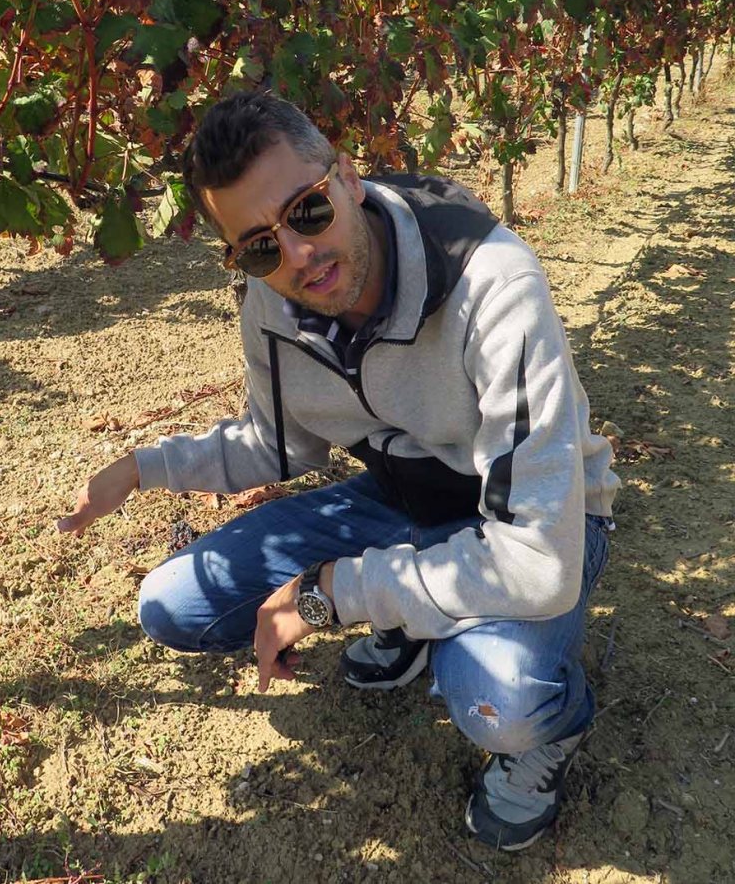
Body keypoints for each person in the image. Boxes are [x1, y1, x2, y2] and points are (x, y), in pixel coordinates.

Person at [58, 92, 619, 853]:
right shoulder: (272, 303)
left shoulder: (492, 282)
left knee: (501, 697)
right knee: (172, 603)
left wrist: (336, 592)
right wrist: (142, 467)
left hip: (532, 520)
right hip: (400, 498)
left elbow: (538, 561)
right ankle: (417, 612)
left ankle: (556, 726)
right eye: (258, 246)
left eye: (308, 211)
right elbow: (277, 445)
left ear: (348, 178)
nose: (295, 255)